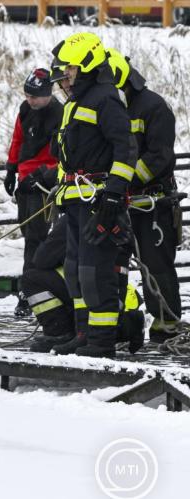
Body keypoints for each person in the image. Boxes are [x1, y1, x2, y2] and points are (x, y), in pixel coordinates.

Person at [49, 32, 138, 357]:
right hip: (74, 199)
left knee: (95, 272)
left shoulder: (105, 98)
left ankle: (102, 342)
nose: (64, 74)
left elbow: (125, 148)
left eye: (69, 68)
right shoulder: (76, 101)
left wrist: (113, 195)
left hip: (98, 200)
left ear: (86, 65)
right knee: (74, 269)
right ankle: (84, 333)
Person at [106, 48, 183, 344]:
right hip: (119, 202)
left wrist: (125, 178)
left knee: (157, 267)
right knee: (114, 266)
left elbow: (159, 156)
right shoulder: (111, 106)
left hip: (152, 203)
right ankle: (121, 326)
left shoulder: (153, 107)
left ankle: (167, 329)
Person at [21, 215, 145, 355]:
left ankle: (60, 333)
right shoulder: (115, 218)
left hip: (97, 292)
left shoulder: (74, 218)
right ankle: (126, 325)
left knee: (31, 278)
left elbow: (42, 259)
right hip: (115, 296)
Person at [4, 67, 62, 317]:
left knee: (36, 238)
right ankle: (32, 288)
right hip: (25, 180)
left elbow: (63, 155)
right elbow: (18, 139)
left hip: (43, 184)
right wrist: (10, 167)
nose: (30, 100)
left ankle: (29, 293)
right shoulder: (25, 110)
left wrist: (42, 174)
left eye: (35, 96)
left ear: (48, 93)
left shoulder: (60, 113)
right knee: (28, 232)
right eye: (27, 95)